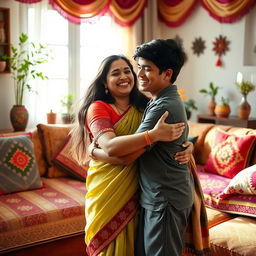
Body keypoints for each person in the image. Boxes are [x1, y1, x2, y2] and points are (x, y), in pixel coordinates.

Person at [70, 54, 194, 256]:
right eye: (115, 73)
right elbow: (112, 148)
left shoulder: (145, 105)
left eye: (127, 71)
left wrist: (189, 147)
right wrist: (153, 135)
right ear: (105, 82)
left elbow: (177, 133)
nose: (124, 76)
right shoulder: (97, 108)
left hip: (139, 192)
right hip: (107, 190)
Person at [132, 39, 195, 256]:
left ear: (167, 74)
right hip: (160, 198)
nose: (139, 74)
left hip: (166, 200)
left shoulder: (164, 106)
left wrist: (96, 149)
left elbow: (130, 151)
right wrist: (190, 145)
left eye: (147, 68)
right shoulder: (159, 99)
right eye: (138, 66)